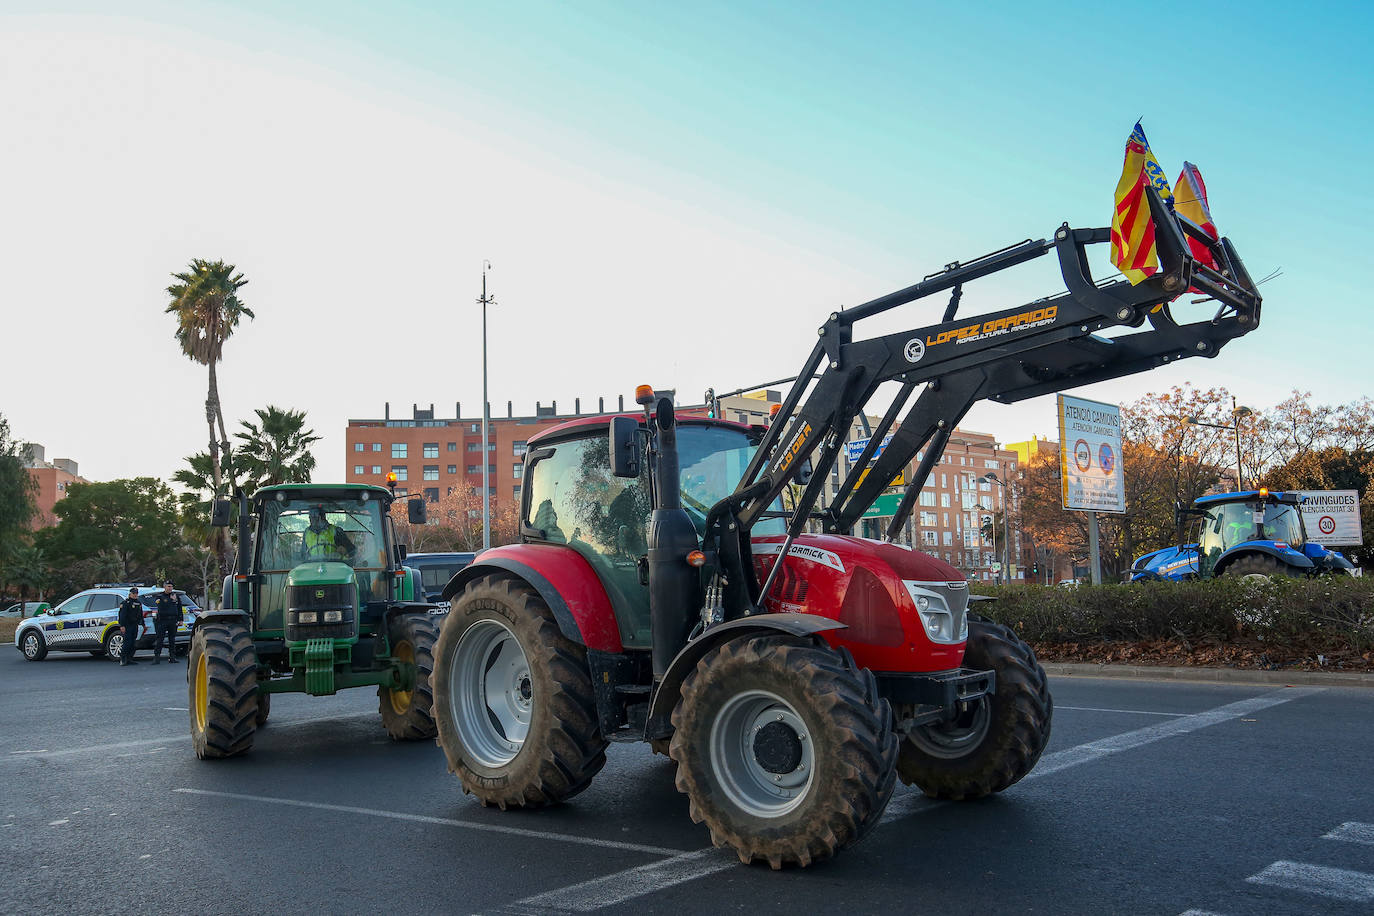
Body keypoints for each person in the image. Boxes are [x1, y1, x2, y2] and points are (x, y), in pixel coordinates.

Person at [152, 582, 184, 663]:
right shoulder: (160, 596)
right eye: (168, 586)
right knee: (160, 639)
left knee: (172, 640)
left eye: (171, 586)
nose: (170, 588)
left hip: (173, 620)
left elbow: (179, 608)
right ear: (164, 587)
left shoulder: (175, 596)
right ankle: (156, 657)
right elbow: (161, 607)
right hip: (163, 620)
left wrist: (181, 619)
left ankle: (172, 657)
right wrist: (171, 600)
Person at [117, 587, 142, 667]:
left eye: (136, 593)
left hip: (135, 625)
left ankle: (129, 658)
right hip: (127, 625)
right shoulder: (125, 603)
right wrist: (122, 625)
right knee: (127, 643)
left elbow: (140, 614)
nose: (135, 595)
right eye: (133, 593)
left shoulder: (138, 603)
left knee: (133, 643)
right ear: (130, 594)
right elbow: (122, 615)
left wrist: (142, 624)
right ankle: (123, 658)